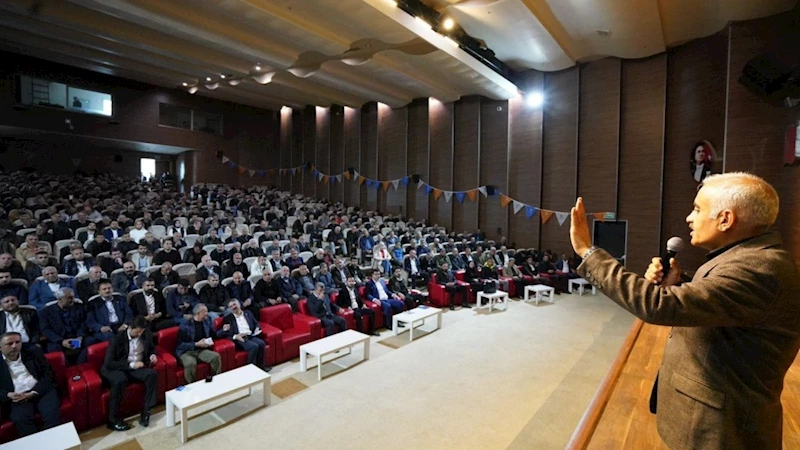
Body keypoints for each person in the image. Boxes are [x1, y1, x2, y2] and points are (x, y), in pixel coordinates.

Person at [569, 173, 800, 450]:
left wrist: (587, 251)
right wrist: (678, 283)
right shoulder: (750, 258)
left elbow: (657, 305)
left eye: (698, 209)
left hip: (724, 430)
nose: (689, 218)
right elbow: (725, 307)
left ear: (725, 219)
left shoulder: (759, 269)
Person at [101, 316, 158, 431]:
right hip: (118, 368)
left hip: (136, 368)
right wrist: (131, 365)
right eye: (137, 332)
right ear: (130, 328)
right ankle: (113, 420)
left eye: (141, 332)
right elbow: (109, 363)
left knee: (152, 374)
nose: (139, 334)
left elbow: (151, 348)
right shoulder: (117, 339)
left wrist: (152, 355)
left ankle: (146, 411)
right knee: (120, 380)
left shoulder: (145, 334)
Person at [0, 332, 61, 437]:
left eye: (17, 342)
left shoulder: (33, 352)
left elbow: (48, 375)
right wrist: (8, 395)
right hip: (16, 397)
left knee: (52, 415)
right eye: (10, 344)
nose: (14, 346)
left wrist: (34, 392)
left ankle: (53, 441)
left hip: (40, 390)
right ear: (0, 347)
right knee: (21, 420)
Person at [175, 303, 223, 384]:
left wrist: (223, 330)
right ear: (198, 313)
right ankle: (191, 386)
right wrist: (196, 344)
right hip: (186, 352)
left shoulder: (207, 321)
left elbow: (214, 335)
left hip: (201, 350)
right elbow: (180, 345)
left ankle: (216, 382)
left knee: (215, 357)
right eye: (205, 312)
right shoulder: (185, 325)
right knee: (191, 363)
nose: (207, 313)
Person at [39, 288, 89, 364]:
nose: (73, 300)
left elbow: (83, 324)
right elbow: (45, 329)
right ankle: (66, 367)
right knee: (54, 348)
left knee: (91, 341)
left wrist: (80, 337)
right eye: (69, 298)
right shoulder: (45, 312)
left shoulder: (79, 307)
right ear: (59, 299)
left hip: (77, 338)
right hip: (59, 340)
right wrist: (62, 341)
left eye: (73, 297)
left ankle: (80, 364)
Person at [221, 299, 270, 372]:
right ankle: (249, 370)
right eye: (231, 306)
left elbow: (256, 323)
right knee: (254, 346)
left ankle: (261, 367)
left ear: (239, 304)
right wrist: (235, 336)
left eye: (234, 304)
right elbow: (224, 334)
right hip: (240, 338)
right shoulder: (228, 318)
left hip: (250, 335)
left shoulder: (248, 313)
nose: (233, 307)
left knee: (261, 343)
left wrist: (257, 328)